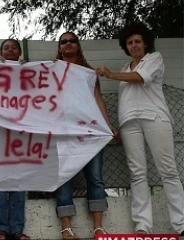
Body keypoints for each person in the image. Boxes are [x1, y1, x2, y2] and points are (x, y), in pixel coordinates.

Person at [96, 22, 184, 236]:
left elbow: (140, 78)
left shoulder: (154, 59)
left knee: (168, 171)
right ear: (125, 47)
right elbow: (127, 94)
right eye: (129, 43)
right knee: (137, 174)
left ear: (146, 43)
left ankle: (181, 224)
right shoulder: (126, 68)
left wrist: (110, 74)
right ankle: (143, 226)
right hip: (129, 122)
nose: (134, 45)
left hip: (155, 118)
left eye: (137, 41)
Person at [53, 31, 119, 240]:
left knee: (95, 177)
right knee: (64, 177)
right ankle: (66, 228)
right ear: (59, 47)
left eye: (72, 41)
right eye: (64, 42)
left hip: (90, 131)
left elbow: (98, 99)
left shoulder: (89, 73)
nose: (68, 44)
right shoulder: (52, 71)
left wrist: (107, 124)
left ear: (78, 45)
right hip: (63, 131)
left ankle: (98, 227)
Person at [0, 39, 30, 240]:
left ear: (20, 52)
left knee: (18, 181)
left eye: (14, 47)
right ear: (1, 52)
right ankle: (1, 230)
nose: (10, 50)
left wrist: (29, 69)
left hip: (19, 135)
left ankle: (17, 229)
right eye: (6, 48)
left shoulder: (27, 71)